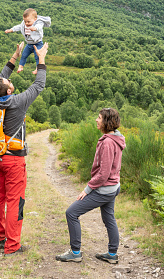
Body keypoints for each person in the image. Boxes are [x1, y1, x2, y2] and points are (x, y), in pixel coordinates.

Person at [0, 41, 48, 255]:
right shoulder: (17, 102)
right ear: (10, 90)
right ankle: (12, 245)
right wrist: (41, 59)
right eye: (9, 81)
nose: (8, 79)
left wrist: (15, 57)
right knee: (15, 200)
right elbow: (38, 85)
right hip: (14, 160)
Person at [56, 108, 126, 264]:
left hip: (105, 188)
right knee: (109, 218)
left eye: (99, 118)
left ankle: (75, 253)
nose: (96, 120)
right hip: (114, 186)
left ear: (106, 122)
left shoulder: (108, 142)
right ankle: (112, 254)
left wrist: (87, 190)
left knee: (71, 213)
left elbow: (103, 174)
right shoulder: (115, 138)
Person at [5, 8, 51, 75]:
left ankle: (38, 68)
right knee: (24, 55)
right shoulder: (24, 24)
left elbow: (39, 26)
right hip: (29, 44)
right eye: (25, 21)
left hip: (37, 43)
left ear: (35, 19)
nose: (26, 23)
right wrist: (11, 30)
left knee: (38, 56)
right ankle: (21, 66)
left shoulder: (38, 22)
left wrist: (35, 28)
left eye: (28, 22)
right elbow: (18, 27)